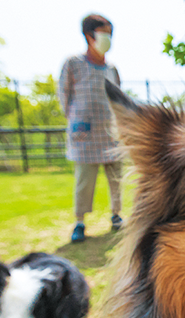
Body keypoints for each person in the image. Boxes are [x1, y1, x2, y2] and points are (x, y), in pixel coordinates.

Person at [58, 13, 124, 242]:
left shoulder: (112, 69)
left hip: (111, 132)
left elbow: (119, 99)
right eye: (104, 33)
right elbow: (63, 96)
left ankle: (117, 215)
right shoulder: (73, 64)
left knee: (117, 179)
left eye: (110, 34)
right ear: (89, 35)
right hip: (84, 134)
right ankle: (80, 222)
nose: (108, 38)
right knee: (84, 182)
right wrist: (76, 120)